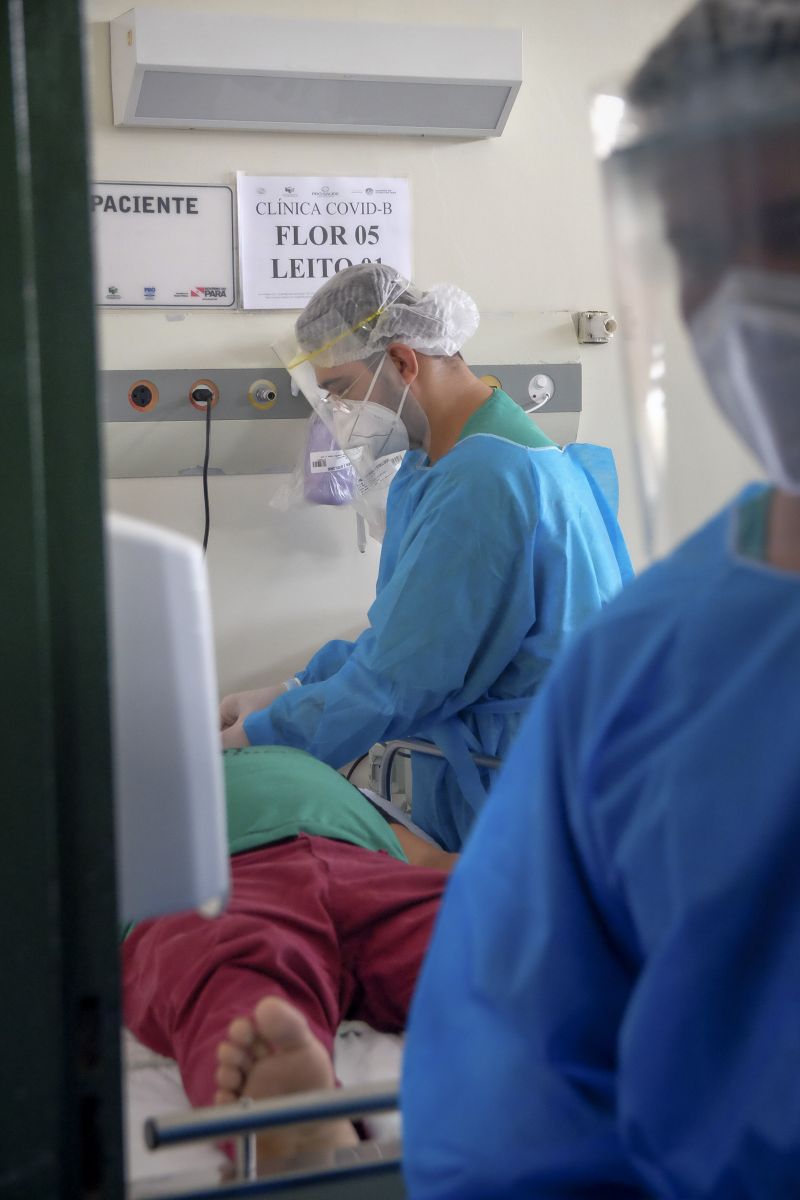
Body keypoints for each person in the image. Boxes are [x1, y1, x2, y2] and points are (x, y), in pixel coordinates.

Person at [402, 2, 800, 1196]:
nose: (739, 303)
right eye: (694, 247)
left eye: (787, 226)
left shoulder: (489, 478)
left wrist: (272, 723)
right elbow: (513, 1127)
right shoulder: (654, 666)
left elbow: (403, 667)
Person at [221, 263, 633, 851]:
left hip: (531, 789)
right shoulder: (442, 467)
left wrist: (258, 739)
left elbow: (399, 683)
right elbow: (401, 636)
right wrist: (289, 689)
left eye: (339, 391)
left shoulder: (488, 481)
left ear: (402, 362)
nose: (337, 416)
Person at [122, 744, 451, 1168]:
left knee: (462, 932)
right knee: (232, 979)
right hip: (207, 889)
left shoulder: (293, 754)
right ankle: (290, 1111)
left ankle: (286, 1101)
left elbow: (430, 858)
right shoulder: (121, 796)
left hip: (361, 864)